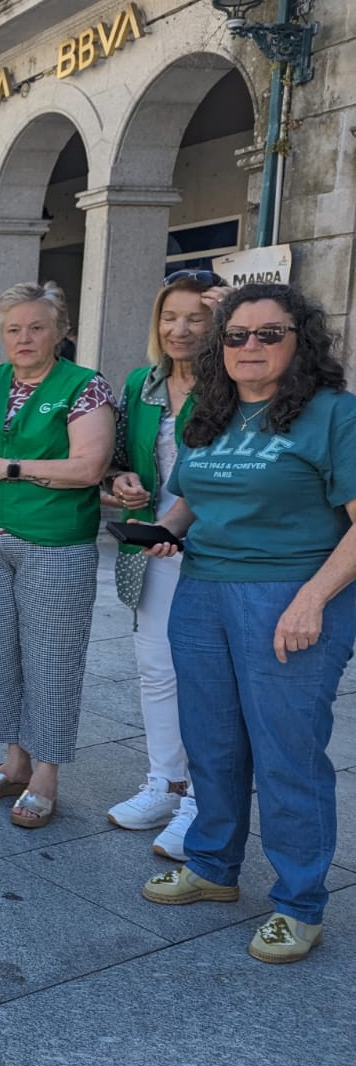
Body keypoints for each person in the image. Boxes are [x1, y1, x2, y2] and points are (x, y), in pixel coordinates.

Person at [139, 283, 356, 964]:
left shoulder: (333, 415)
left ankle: (298, 902)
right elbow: (191, 501)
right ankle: (212, 867)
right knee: (212, 744)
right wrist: (161, 529)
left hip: (292, 593)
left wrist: (312, 598)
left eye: (270, 333)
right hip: (203, 590)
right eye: (236, 335)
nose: (250, 347)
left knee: (287, 753)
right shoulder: (211, 408)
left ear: (301, 340)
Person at [0, 282, 113, 828]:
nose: (25, 338)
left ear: (62, 331)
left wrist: (8, 467)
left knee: (53, 662)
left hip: (56, 544)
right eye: (14, 328)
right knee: (1, 655)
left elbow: (90, 468)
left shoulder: (84, 387)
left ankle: (46, 773)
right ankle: (14, 760)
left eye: (37, 327)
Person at [103, 273, 215, 857]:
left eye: (197, 317)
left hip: (214, 549)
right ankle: (165, 783)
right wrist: (119, 481)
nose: (181, 329)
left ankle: (202, 799)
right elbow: (117, 458)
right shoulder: (142, 383)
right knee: (156, 669)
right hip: (152, 547)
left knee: (205, 678)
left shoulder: (233, 383)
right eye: (171, 316)